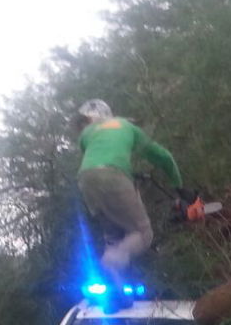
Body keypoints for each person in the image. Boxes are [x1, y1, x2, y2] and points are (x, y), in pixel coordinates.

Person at [74, 99, 185, 283]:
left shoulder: (86, 134)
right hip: (113, 175)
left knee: (113, 237)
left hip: (85, 179)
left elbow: (99, 156)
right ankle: (109, 265)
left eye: (85, 121)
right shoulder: (126, 126)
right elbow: (163, 157)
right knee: (142, 234)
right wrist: (179, 187)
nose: (84, 126)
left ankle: (114, 288)